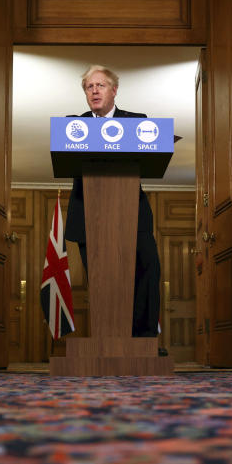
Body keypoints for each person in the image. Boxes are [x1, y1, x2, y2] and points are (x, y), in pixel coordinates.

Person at [63, 65, 164, 350]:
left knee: (146, 271)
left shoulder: (137, 122)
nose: (94, 91)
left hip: (131, 214)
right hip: (88, 215)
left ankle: (143, 341)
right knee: (103, 280)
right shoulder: (74, 127)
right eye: (89, 87)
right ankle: (107, 339)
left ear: (114, 90)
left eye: (100, 85)